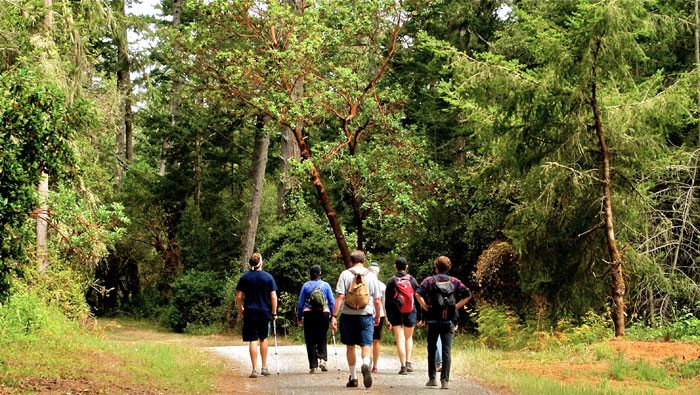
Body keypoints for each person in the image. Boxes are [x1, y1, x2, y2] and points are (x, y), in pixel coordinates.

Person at [415, 256, 471, 390]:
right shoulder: (454, 281)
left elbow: (417, 293)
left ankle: (432, 379)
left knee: (432, 348)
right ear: (448, 267)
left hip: (433, 320)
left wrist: (425, 306)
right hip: (448, 321)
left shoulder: (429, 281)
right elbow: (468, 294)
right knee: (446, 350)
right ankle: (445, 381)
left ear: (436, 267)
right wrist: (455, 307)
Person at [331, 250, 382, 389]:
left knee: (350, 346)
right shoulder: (371, 276)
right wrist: (377, 315)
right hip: (366, 315)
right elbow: (377, 300)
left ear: (351, 260)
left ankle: (353, 377)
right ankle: (365, 363)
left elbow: (340, 297)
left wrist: (334, 316)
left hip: (348, 315)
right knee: (366, 344)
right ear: (363, 261)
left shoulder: (345, 274)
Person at [236, 252, 279, 378]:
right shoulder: (268, 277)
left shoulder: (245, 277)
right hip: (264, 311)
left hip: (250, 311)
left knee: (253, 339)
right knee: (263, 338)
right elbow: (273, 297)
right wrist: (274, 312)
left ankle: (254, 369)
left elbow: (239, 296)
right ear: (261, 262)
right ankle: (264, 367)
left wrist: (241, 308)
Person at [384, 257, 420, 375]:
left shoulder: (391, 281)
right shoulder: (412, 280)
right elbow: (418, 297)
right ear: (406, 266)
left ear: (396, 266)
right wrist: (419, 315)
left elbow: (388, 302)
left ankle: (403, 366)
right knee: (409, 337)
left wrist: (388, 318)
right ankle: (409, 362)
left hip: (395, 312)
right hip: (410, 311)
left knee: (400, 338)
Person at [296, 265, 335, 374]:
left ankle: (313, 365)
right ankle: (322, 359)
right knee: (322, 337)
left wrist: (299, 317)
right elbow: (332, 302)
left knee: (310, 339)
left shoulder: (306, 286)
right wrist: (333, 316)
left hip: (309, 314)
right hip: (324, 314)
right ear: (320, 273)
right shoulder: (326, 285)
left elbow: (300, 304)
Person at [368, 261, 386, 373]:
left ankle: (368, 363)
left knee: (367, 341)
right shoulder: (383, 286)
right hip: (381, 315)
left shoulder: (365, 284)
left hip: (368, 314)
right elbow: (384, 305)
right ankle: (375, 366)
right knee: (376, 341)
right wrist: (388, 320)